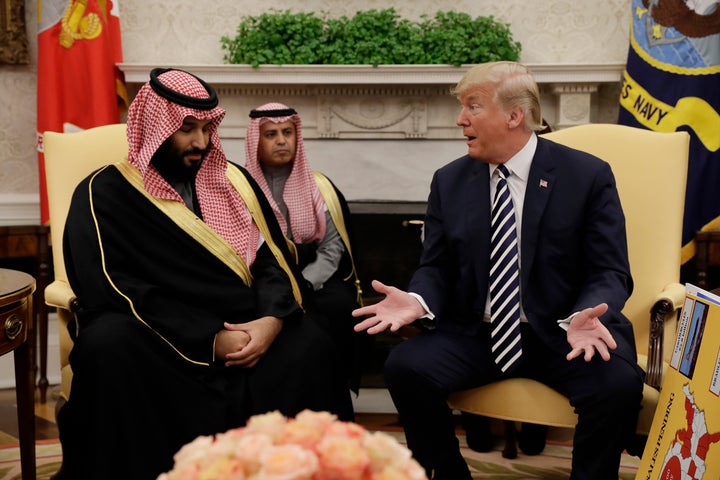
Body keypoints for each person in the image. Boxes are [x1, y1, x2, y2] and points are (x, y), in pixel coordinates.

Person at [353, 61, 645, 480]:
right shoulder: (449, 181)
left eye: (473, 106)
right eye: (461, 108)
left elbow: (610, 270)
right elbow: (435, 266)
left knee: (617, 386)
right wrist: (418, 300)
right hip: (480, 332)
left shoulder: (586, 175)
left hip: (565, 331)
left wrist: (586, 312)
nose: (460, 119)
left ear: (514, 115)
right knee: (405, 366)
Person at [57, 68, 351, 479]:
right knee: (107, 344)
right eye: (186, 129)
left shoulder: (233, 182)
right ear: (155, 128)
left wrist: (270, 321)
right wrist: (210, 338)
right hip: (159, 331)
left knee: (311, 344)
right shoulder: (104, 192)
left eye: (207, 128)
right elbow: (109, 284)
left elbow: (271, 261)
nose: (200, 143)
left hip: (247, 323)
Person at [244, 102, 364, 397]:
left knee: (340, 307)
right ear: (255, 140)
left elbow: (332, 246)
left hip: (313, 276)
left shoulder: (318, 186)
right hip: (259, 277)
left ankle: (333, 394)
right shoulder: (238, 186)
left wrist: (305, 283)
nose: (281, 140)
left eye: (287, 132)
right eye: (270, 134)